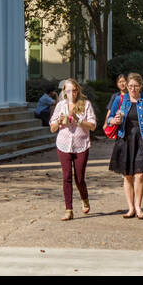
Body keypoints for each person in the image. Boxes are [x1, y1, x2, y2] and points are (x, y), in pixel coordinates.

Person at [106, 72, 143, 218]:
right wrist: (114, 121)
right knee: (128, 175)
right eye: (130, 86)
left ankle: (138, 206)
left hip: (142, 139)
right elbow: (109, 119)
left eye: (135, 86)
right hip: (124, 139)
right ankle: (130, 208)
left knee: (140, 174)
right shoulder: (120, 100)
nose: (132, 89)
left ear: (141, 86)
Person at [49, 78, 96, 220]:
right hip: (63, 144)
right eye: (68, 91)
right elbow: (52, 128)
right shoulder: (60, 106)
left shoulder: (86, 105)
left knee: (79, 178)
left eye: (74, 90)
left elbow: (93, 126)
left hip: (81, 145)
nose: (72, 93)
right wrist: (58, 121)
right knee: (66, 177)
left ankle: (84, 198)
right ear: (64, 92)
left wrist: (79, 120)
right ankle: (68, 209)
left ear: (78, 91)